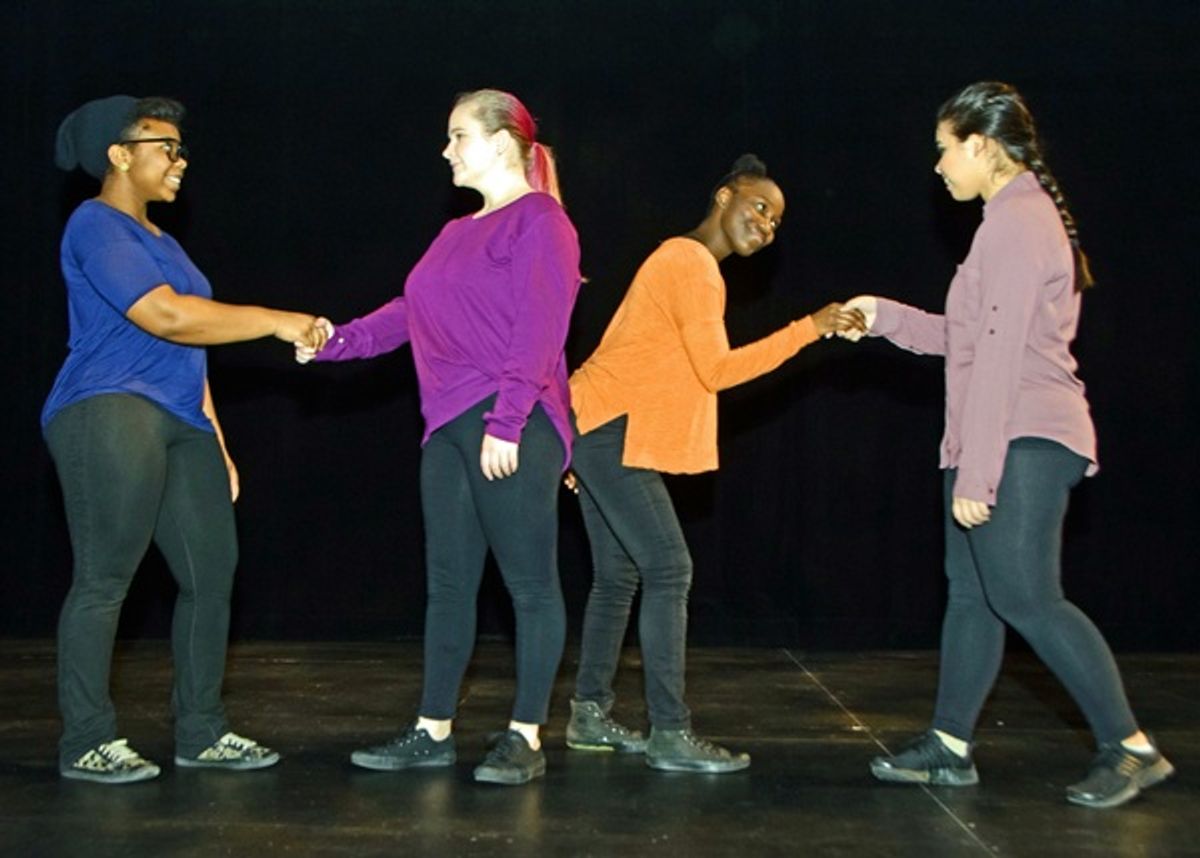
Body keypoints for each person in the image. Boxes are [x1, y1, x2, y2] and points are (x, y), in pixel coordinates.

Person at [841, 81, 1174, 809]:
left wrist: (978, 474)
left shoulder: (1019, 222)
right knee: (972, 595)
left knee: (1026, 595)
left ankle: (1130, 746)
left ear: (982, 145)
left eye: (944, 149)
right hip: (998, 435)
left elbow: (996, 359)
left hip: (1025, 437)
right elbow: (966, 338)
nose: (938, 166)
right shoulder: (1008, 221)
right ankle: (950, 744)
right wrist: (883, 316)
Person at [46, 95, 330, 784]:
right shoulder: (95, 224)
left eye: (181, 149)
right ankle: (87, 739)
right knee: (106, 575)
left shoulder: (167, 244)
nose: (180, 160)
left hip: (183, 418)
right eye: (165, 147)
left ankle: (202, 730)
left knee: (211, 574)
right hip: (109, 407)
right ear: (120, 155)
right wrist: (277, 320)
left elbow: (191, 346)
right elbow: (167, 317)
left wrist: (217, 440)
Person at [300, 89, 580, 786]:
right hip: (447, 425)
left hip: (511, 419)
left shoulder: (543, 221)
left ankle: (526, 736)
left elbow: (541, 328)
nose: (446, 150)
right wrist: (335, 341)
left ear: (502, 142)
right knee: (449, 585)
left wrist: (507, 420)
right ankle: (432, 730)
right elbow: (411, 311)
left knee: (529, 585)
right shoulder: (455, 232)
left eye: (459, 136)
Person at [563, 155, 866, 773]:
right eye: (760, 207)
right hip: (608, 429)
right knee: (670, 569)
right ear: (725, 196)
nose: (768, 225)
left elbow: (623, 352)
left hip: (594, 423)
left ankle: (589, 713)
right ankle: (670, 731)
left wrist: (574, 432)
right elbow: (718, 371)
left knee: (619, 577)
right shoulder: (691, 263)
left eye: (776, 221)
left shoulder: (679, 259)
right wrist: (808, 328)